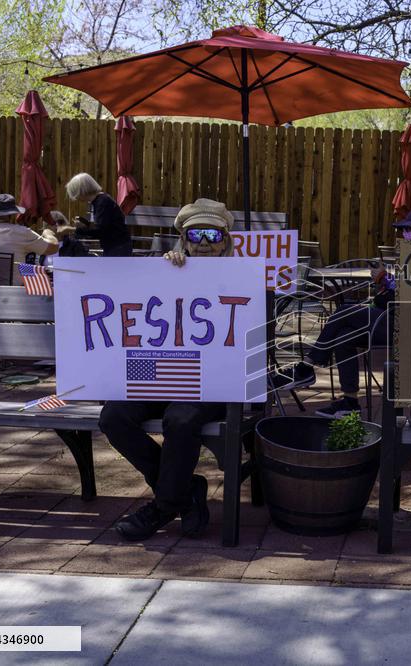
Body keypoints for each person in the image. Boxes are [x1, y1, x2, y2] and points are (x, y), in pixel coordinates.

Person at [98, 198, 235, 541]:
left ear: (226, 240)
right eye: (196, 234)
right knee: (113, 416)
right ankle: (185, 491)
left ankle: (163, 506)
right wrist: (158, 275)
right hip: (160, 376)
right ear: (185, 240)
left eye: (212, 234)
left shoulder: (241, 277)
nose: (204, 243)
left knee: (181, 419)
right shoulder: (165, 270)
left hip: (213, 383)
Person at [275, 208, 411, 418]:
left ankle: (306, 367)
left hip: (409, 327)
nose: (406, 234)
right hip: (389, 318)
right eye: (405, 230)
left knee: (345, 310)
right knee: (343, 335)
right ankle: (350, 401)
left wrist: (387, 282)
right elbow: (396, 295)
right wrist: (385, 282)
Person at [0, 193, 60, 285]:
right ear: (10, 214)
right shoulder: (21, 233)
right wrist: (48, 233)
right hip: (9, 295)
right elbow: (53, 248)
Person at [65, 173, 133, 257]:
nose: (76, 198)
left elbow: (100, 231)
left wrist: (75, 230)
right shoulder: (100, 201)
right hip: (116, 245)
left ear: (82, 191)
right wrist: (86, 225)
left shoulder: (102, 203)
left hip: (118, 247)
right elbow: (105, 225)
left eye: (76, 194)